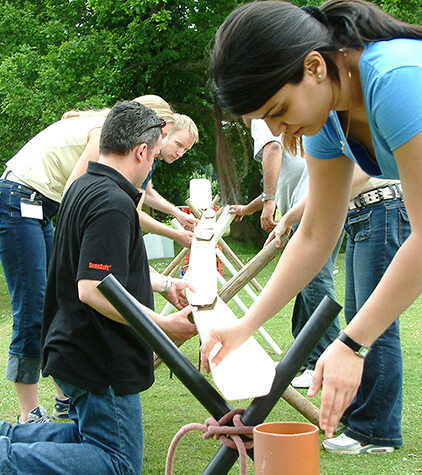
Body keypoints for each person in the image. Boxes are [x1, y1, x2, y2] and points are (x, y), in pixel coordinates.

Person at [199, 0, 422, 446]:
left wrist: (351, 344)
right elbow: (317, 233)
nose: (281, 132)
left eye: (280, 110)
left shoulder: (395, 80)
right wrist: (246, 327)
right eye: (267, 121)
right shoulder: (327, 118)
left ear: (315, 66)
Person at [0, 100, 197, 474]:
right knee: (117, 463)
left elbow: (110, 273)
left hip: (79, 348)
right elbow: (92, 287)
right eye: (155, 155)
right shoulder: (112, 203)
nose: (153, 163)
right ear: (142, 151)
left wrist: (167, 282)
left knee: (90, 441)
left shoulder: (82, 188)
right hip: (99, 355)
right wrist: (162, 324)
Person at [0, 108, 108, 423]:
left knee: (58, 301)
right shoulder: (102, 131)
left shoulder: (96, 126)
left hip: (38, 207)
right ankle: (28, 413)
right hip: (17, 201)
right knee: (33, 306)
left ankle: (64, 399)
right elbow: (74, 187)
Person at [230, 118, 343, 388]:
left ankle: (323, 364)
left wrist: (270, 203)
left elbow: (273, 151)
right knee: (307, 286)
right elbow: (278, 185)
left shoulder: (260, 116)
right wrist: (248, 209)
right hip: (319, 206)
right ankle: (303, 360)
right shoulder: (276, 119)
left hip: (316, 208)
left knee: (315, 283)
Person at [137, 112, 200, 249]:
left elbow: (147, 192)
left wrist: (178, 214)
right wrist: (176, 235)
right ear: (164, 134)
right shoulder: (143, 156)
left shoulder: (153, 159)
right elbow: (134, 213)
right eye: (178, 144)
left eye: (185, 149)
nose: (180, 154)